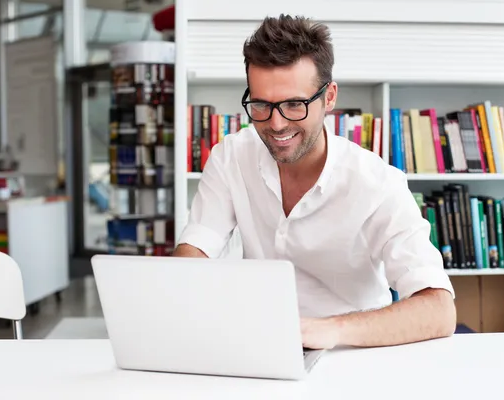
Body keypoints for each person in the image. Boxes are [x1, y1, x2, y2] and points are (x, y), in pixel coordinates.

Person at [173, 14, 456, 349]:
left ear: (329, 97)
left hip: (355, 353)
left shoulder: (378, 184)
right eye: (262, 104)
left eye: (295, 104)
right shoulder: (232, 157)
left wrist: (324, 331)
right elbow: (196, 248)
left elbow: (439, 310)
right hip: (259, 346)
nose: (276, 124)